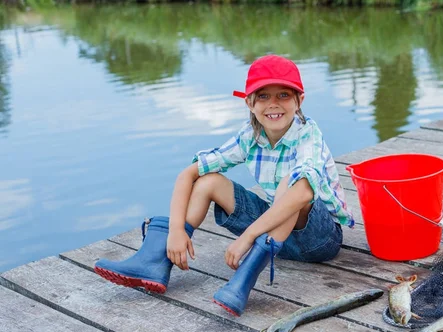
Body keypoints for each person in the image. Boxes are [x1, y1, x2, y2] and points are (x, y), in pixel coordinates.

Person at [95, 55, 354, 316]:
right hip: (275, 239)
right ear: (249, 103)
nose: (273, 104)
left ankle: (242, 282)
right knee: (209, 181)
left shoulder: (308, 135)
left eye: (284, 95)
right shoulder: (250, 137)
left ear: (300, 100)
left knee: (293, 182)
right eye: (263, 96)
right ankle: (155, 262)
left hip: (319, 240)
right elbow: (188, 174)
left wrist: (248, 236)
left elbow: (302, 195)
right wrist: (176, 230)